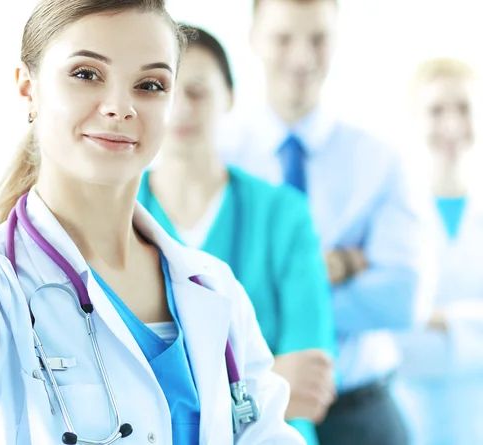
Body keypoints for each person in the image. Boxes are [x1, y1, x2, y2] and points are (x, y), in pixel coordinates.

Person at [0, 1, 306, 444]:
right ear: (29, 89)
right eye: (86, 74)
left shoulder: (214, 289)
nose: (120, 107)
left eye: (150, 84)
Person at [218, 0, 433, 444]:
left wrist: (270, 301)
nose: (301, 57)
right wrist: (340, 266)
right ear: (254, 38)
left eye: (318, 39)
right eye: (283, 38)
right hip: (253, 409)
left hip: (361, 410)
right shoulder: (218, 157)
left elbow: (403, 295)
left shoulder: (379, 159)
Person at [138, 25, 336, 445]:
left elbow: (310, 385)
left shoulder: (283, 215)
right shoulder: (119, 213)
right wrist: (263, 380)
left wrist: (167, 393)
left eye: (197, 91)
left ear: (229, 97)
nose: (180, 109)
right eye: (162, 90)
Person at [393, 58, 483, 445]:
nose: (451, 124)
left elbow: (409, 324)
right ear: (415, 120)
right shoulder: (394, 217)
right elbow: (395, 343)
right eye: (436, 110)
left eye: (463, 108)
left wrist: (439, 319)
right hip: (409, 419)